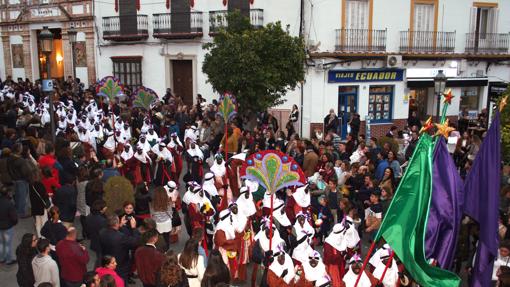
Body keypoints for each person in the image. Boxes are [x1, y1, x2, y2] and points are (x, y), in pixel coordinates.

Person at [99, 214, 139, 283]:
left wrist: (120, 225)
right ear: (116, 223)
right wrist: (134, 228)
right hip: (120, 265)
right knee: (121, 281)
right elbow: (135, 243)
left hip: (108, 260)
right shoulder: (120, 237)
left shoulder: (102, 231)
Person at [8, 142, 32, 217]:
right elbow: (26, 171)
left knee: (17, 196)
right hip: (21, 180)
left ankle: (17, 210)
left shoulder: (9, 158)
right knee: (22, 197)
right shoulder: (20, 160)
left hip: (14, 179)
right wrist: (29, 178)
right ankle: (21, 213)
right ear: (19, 149)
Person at [86, 199, 108, 267]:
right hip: (101, 244)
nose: (106, 207)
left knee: (98, 257)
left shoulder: (89, 216)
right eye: (105, 206)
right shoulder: (102, 221)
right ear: (101, 209)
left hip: (94, 241)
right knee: (100, 260)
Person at [0, 184, 18, 265]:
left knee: (1, 243)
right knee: (7, 244)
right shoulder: (9, 203)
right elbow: (14, 218)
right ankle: (8, 260)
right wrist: (14, 223)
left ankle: (1, 258)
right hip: (7, 226)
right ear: (7, 193)